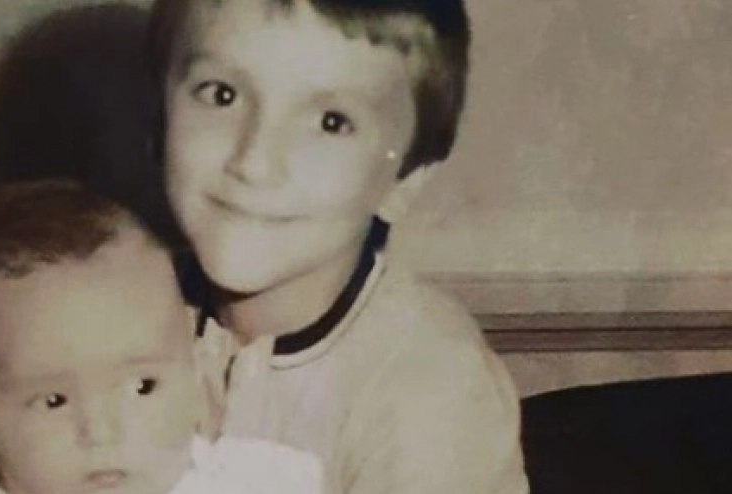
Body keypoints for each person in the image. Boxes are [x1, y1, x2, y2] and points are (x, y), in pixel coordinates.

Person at [149, 0, 529, 492]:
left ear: (403, 182)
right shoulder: (115, 306)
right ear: (159, 116)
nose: (255, 162)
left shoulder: (432, 392)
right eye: (222, 94)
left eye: (332, 122)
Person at [0, 180, 322, 494]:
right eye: (54, 401)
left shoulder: (246, 482)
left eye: (143, 386)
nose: (102, 433)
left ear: (195, 365)